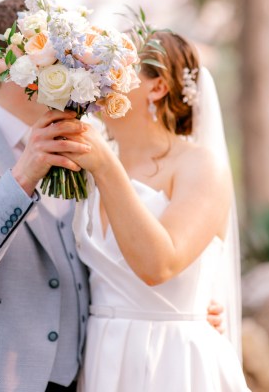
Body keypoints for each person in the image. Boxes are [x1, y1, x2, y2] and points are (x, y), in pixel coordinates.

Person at [0, 0, 223, 392]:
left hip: (90, 375)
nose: (81, 67)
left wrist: (182, 306)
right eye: (63, 55)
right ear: (21, 64)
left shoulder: (79, 148)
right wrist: (22, 177)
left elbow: (99, 259)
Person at [63, 31, 250, 391]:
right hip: (101, 356)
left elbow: (158, 265)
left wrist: (105, 166)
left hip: (172, 360)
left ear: (157, 87)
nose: (98, 79)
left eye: (113, 69)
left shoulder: (200, 166)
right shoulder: (80, 171)